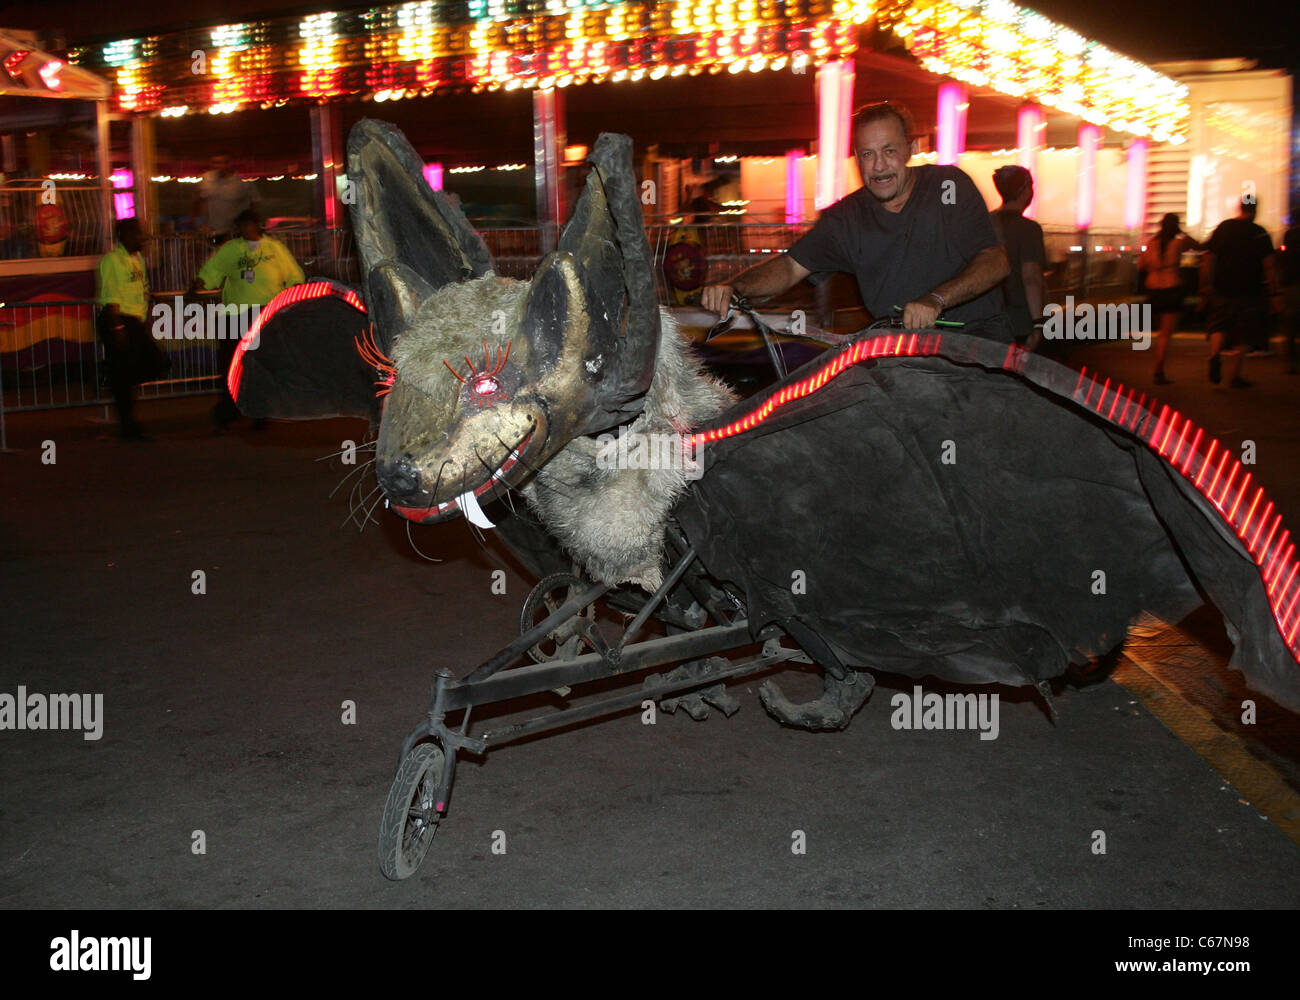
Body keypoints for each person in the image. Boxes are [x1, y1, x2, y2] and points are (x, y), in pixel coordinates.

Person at [700, 101, 1010, 339]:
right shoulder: (846, 217)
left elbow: (995, 260)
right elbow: (791, 266)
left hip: (975, 346)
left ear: (911, 149)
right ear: (856, 158)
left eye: (889, 151)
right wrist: (734, 286)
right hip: (899, 352)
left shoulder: (948, 187)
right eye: (867, 154)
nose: (879, 166)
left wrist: (937, 299)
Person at [190, 209, 304, 430]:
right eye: (241, 226)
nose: (244, 229)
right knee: (232, 364)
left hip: (265, 313)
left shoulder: (274, 249)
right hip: (234, 313)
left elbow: (294, 276)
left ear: (257, 225)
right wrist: (198, 284)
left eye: (248, 225)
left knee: (260, 364)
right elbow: (212, 271)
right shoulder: (231, 250)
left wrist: (292, 301)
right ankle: (229, 409)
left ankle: (258, 412)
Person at [95, 217, 169, 441]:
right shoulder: (112, 261)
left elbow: (141, 286)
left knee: (156, 363)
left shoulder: (138, 260)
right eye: (137, 234)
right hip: (118, 319)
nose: (142, 238)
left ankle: (113, 380)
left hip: (134, 320)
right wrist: (116, 326)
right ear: (125, 236)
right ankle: (128, 426)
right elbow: (110, 295)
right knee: (135, 369)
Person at [1200, 197, 1280, 388]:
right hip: (1249, 290)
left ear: (1240, 208)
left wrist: (1205, 283)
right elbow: (1269, 265)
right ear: (1256, 210)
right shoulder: (1260, 233)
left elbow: (1209, 257)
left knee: (1219, 325)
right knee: (1244, 332)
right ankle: (1235, 376)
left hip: (1222, 287)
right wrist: (1274, 292)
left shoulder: (1224, 227)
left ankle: (1214, 355)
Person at [1138, 213, 1201, 385]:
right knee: (1166, 334)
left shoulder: (1151, 243)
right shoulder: (1179, 242)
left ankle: (1158, 362)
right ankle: (1159, 367)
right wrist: (1182, 232)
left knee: (1160, 333)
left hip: (1153, 290)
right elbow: (1199, 246)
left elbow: (1141, 265)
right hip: (1172, 288)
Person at [988, 164, 1046, 349]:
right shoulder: (1029, 230)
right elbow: (1031, 278)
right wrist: (1038, 323)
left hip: (986, 319)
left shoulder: (985, 223)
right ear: (1024, 190)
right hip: (1019, 322)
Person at [193, 154, 261, 244]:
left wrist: (248, 227)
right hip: (213, 232)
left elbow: (254, 204)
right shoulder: (206, 179)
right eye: (216, 163)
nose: (219, 166)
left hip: (235, 233)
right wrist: (199, 224)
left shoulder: (242, 182)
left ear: (230, 163)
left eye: (223, 162)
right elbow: (198, 202)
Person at [1280, 208, 1300, 375]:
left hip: (1291, 284)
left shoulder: (1289, 235)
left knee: (1290, 323)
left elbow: (1283, 258)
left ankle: (1290, 362)